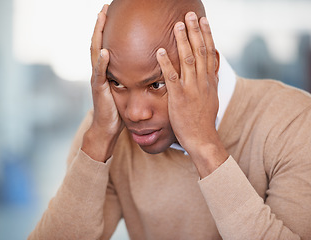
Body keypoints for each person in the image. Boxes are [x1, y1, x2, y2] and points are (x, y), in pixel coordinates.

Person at [28, 0, 311, 239]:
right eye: (116, 82)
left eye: (157, 84)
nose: (135, 113)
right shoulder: (105, 129)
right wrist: (98, 141)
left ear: (209, 65)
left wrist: (204, 145)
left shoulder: (293, 122)